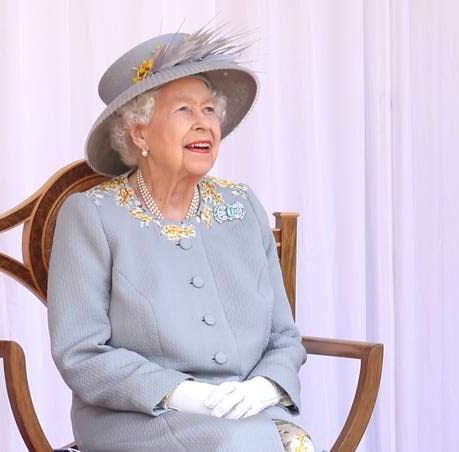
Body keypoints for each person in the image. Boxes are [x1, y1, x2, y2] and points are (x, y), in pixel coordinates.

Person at [47, 26, 316, 452]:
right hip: (138, 417)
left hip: (249, 412)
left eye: (210, 110)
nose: (204, 124)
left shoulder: (242, 206)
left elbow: (283, 334)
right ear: (139, 132)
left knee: (291, 445)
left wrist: (265, 387)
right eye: (184, 111)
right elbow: (81, 352)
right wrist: (188, 395)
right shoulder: (92, 215)